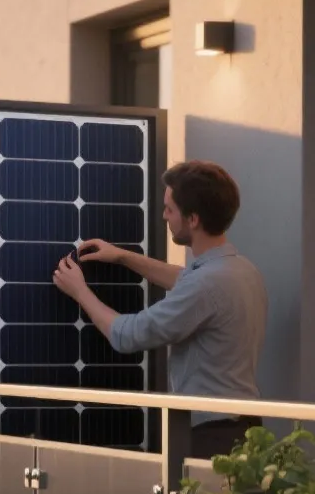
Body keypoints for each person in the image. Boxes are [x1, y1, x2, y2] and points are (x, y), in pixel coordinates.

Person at [53, 159, 267, 458]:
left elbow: (128, 335)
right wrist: (124, 257)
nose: (164, 215)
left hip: (213, 438)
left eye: (170, 209)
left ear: (192, 219)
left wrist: (80, 292)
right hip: (244, 427)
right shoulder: (241, 270)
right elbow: (186, 279)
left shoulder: (206, 285)